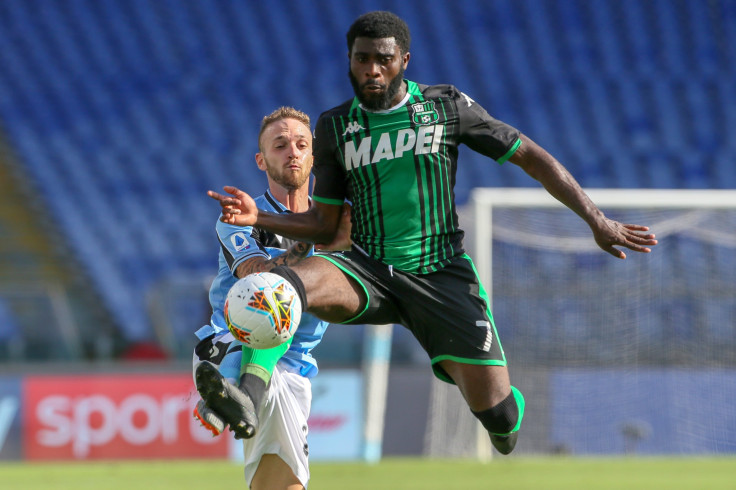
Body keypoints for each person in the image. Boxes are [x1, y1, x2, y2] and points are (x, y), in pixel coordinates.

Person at [206, 11, 658, 456]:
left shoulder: (446, 107)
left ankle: (507, 411)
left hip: (442, 275)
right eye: (361, 59)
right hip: (368, 269)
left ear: (404, 59)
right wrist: (258, 217)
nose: (372, 70)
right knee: (278, 287)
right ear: (349, 60)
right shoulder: (335, 126)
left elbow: (529, 156)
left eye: (383, 59)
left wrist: (597, 220)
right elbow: (324, 226)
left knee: (500, 426)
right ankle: (247, 395)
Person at [193, 106, 347, 490]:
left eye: (300, 144)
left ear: (314, 156)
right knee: (273, 298)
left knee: (277, 486)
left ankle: (231, 402)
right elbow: (257, 275)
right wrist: (320, 238)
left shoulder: (339, 220)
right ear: (261, 160)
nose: (292, 152)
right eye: (280, 146)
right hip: (231, 345)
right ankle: (239, 393)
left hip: (295, 367)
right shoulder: (241, 217)